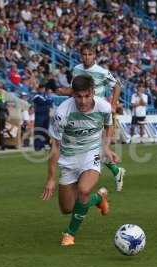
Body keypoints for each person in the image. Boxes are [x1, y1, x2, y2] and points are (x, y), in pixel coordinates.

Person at [42, 75, 120, 246]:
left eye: (87, 96)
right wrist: (51, 178)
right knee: (67, 208)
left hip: (91, 154)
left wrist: (106, 147)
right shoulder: (63, 113)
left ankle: (70, 234)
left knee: (83, 190)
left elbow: (108, 125)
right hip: (68, 159)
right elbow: (54, 146)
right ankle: (98, 199)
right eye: (78, 96)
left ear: (93, 92)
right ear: (72, 94)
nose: (83, 101)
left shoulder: (104, 107)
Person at [57, 42, 126, 192]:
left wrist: (113, 105)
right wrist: (63, 91)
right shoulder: (76, 69)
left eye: (90, 54)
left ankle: (95, 176)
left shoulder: (101, 72)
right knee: (91, 146)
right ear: (80, 55)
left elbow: (118, 85)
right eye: (84, 54)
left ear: (95, 55)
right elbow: (75, 90)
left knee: (94, 146)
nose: (87, 57)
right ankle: (114, 171)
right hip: (81, 112)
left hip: (97, 113)